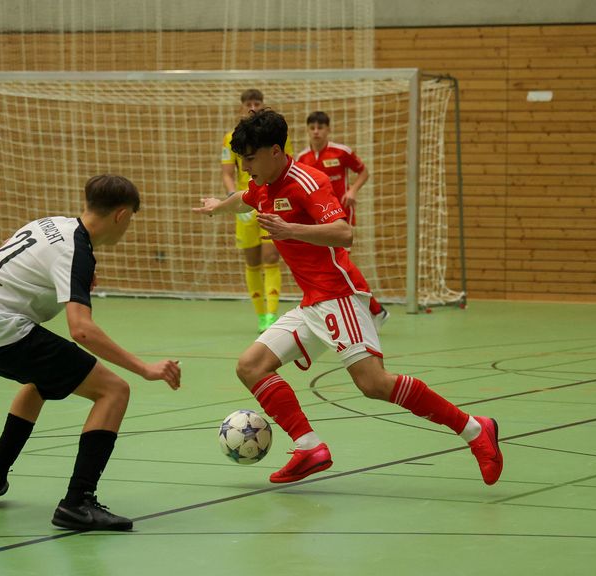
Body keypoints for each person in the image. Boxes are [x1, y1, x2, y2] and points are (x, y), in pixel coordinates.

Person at [195, 110, 502, 485]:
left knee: (373, 384)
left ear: (275, 151)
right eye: (241, 160)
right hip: (312, 302)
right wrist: (218, 206)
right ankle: (309, 447)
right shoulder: (263, 184)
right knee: (250, 366)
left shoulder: (309, 182)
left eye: (250, 159)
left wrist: (290, 229)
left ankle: (475, 430)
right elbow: (245, 197)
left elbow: (343, 233)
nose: (245, 167)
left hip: (339, 295)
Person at [0, 174, 181, 531]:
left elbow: (12, 254)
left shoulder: (49, 224)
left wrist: (67, 280)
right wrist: (144, 368)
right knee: (114, 390)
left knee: (42, 380)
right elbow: (82, 330)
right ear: (121, 215)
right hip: (1, 332)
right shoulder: (76, 249)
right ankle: (78, 502)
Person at [295, 111, 385, 323]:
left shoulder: (341, 152)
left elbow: (363, 171)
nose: (316, 131)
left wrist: (352, 190)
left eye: (321, 127)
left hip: (340, 215)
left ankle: (372, 310)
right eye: (312, 127)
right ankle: (367, 310)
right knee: (330, 265)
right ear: (307, 130)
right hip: (315, 220)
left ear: (328, 129)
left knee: (340, 264)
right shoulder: (302, 158)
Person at [221, 89, 293, 333]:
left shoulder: (277, 136)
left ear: (263, 105)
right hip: (245, 204)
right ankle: (260, 314)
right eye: (248, 103)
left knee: (271, 257)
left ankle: (272, 314)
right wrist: (233, 199)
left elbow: (285, 167)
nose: (252, 106)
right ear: (241, 107)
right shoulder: (231, 137)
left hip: (270, 201)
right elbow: (227, 173)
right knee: (252, 262)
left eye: (257, 102)